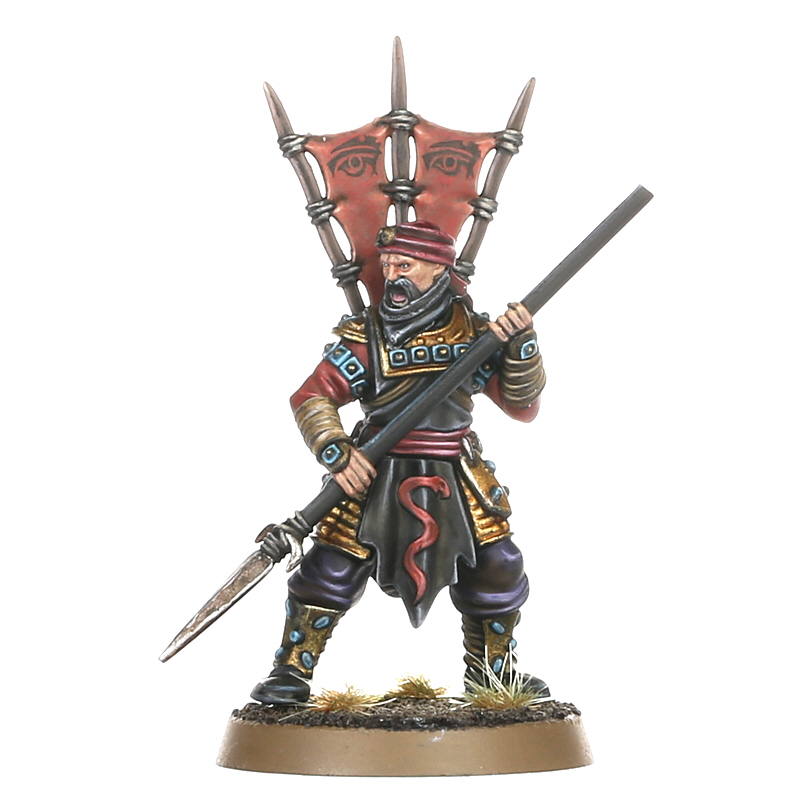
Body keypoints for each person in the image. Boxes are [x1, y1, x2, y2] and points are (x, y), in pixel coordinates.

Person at [252, 220, 548, 705]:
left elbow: (522, 403)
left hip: (456, 470)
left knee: (497, 565)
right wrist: (337, 451)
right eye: (388, 266)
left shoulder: (477, 334)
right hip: (376, 469)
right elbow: (313, 396)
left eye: (404, 266)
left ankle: (495, 675)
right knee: (330, 567)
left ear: (439, 270)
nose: (392, 277)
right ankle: (291, 671)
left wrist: (520, 343)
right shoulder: (366, 337)